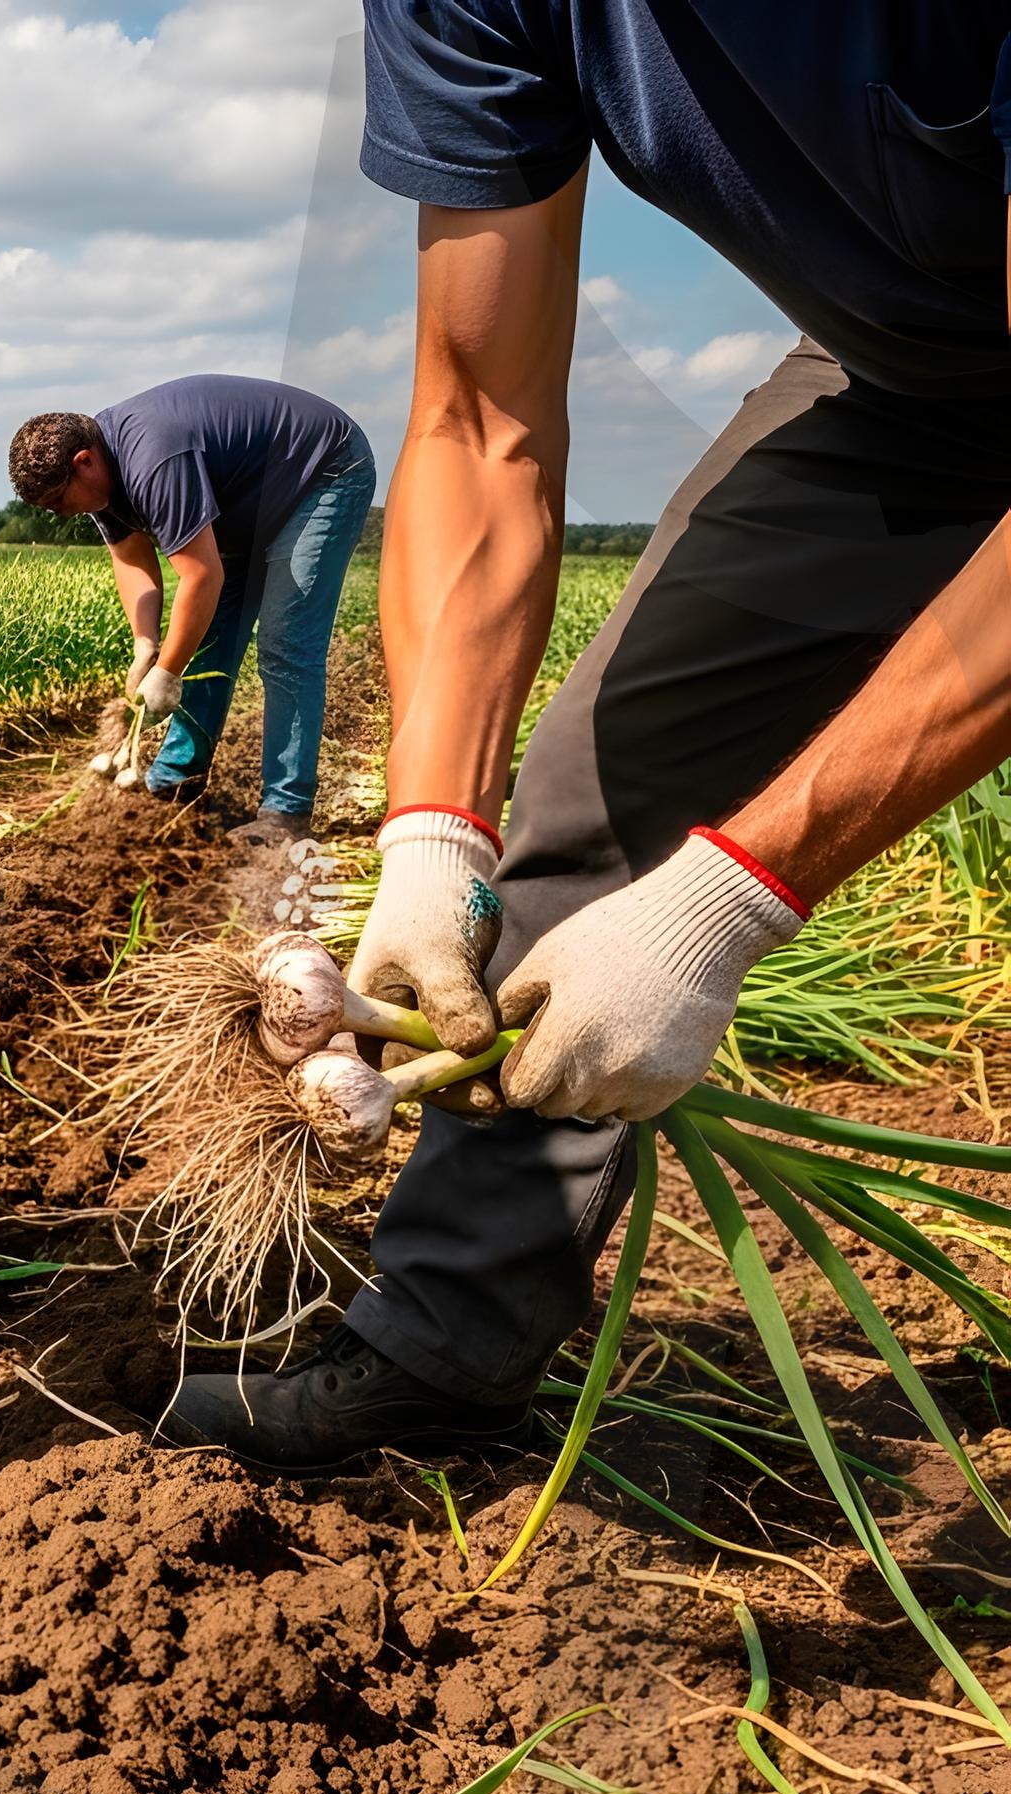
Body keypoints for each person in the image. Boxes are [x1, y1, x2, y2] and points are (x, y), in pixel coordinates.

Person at [165, 6, 1011, 1470]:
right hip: (913, 374)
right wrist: (434, 834)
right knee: (582, 808)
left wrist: (734, 893)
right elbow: (481, 416)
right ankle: (444, 1348)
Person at [8, 376, 377, 849]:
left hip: (321, 472)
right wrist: (147, 646)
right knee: (205, 639)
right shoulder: (99, 479)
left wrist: (167, 672)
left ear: (84, 463)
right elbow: (132, 562)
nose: (61, 513)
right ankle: (174, 783)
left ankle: (285, 812)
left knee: (286, 645)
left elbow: (202, 575)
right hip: (247, 503)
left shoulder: (152, 459)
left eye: (59, 501)